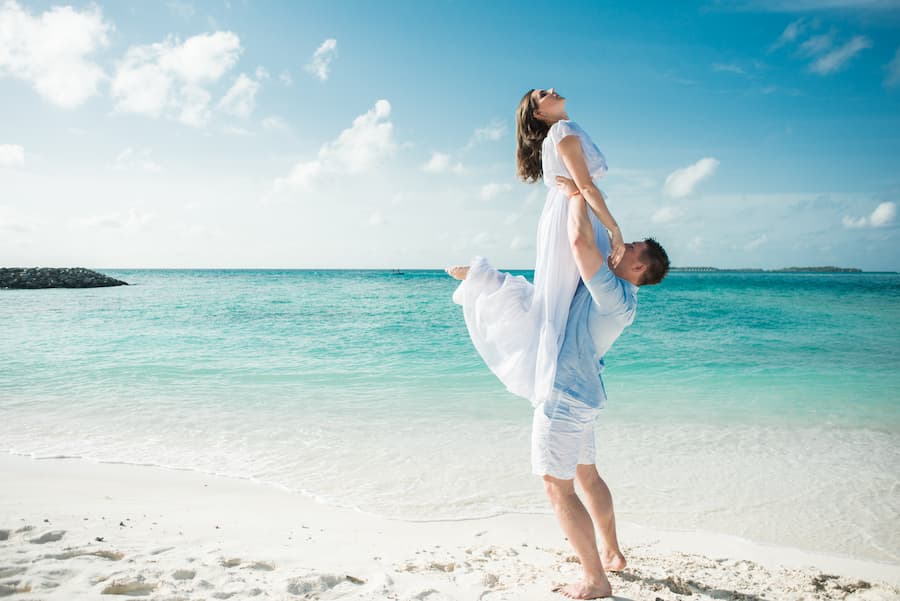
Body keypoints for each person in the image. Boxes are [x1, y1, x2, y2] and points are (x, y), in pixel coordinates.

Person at [447, 177, 670, 598]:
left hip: (565, 397)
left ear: (640, 267)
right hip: (584, 396)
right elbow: (554, 291)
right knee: (587, 475)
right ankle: (613, 554)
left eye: (632, 248)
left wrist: (573, 197)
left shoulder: (613, 292)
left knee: (556, 486)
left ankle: (595, 580)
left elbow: (580, 246)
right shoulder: (620, 294)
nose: (622, 248)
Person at [451, 88, 624, 406]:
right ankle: (485, 278)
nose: (553, 90)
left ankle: (567, 372)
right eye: (544, 94)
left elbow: (583, 186)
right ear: (539, 114)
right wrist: (614, 229)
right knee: (560, 299)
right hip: (574, 210)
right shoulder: (562, 130)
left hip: (572, 209)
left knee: (559, 299)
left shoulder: (563, 130)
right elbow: (585, 185)